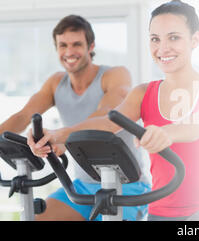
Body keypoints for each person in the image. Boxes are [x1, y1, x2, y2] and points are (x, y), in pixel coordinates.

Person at [29, 0, 199, 221]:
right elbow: (106, 124)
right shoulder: (143, 93)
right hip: (161, 209)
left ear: (195, 39)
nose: (163, 48)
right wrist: (57, 134)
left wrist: (167, 133)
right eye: (155, 39)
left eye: (174, 37)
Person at [0, 15, 151, 221]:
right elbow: (24, 115)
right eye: (63, 45)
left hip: (129, 185)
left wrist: (64, 138)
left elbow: (106, 116)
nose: (69, 52)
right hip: (81, 187)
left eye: (77, 44)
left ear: (91, 46)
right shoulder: (55, 83)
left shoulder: (115, 75)